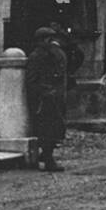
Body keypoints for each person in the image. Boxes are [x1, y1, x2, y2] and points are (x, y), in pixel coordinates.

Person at [25, 27, 68, 172]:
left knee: (55, 128)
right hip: (43, 99)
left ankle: (47, 156)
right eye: (49, 39)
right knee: (46, 130)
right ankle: (48, 160)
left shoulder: (51, 54)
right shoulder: (36, 56)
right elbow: (31, 80)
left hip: (54, 97)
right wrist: (45, 91)